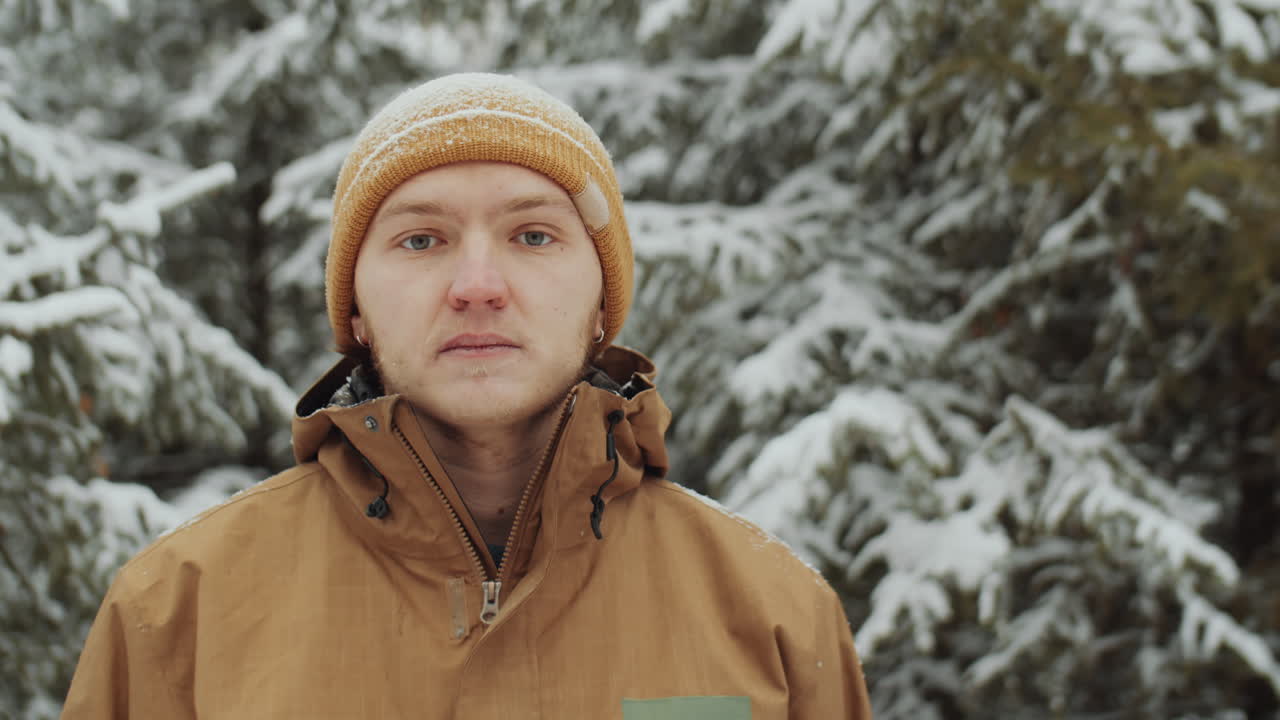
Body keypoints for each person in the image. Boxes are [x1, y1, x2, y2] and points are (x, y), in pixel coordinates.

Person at [62, 73, 872, 719]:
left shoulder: (773, 615)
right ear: (355, 310)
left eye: (533, 235)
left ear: (602, 301)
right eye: (421, 239)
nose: (477, 285)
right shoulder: (177, 613)